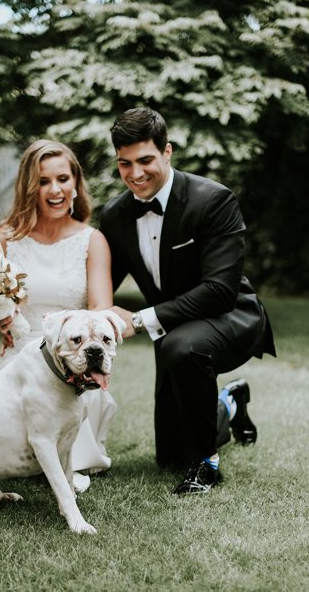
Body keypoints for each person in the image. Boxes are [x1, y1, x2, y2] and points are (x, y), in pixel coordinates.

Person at [99, 107, 276, 494]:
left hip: (232, 317)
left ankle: (208, 464)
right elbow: (103, 287)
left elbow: (219, 290)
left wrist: (140, 319)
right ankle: (230, 402)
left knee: (181, 348)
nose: (135, 173)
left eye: (145, 160)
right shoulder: (114, 215)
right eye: (124, 164)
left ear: (167, 152)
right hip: (177, 329)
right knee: (171, 455)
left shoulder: (213, 200)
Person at [0, 139, 116, 492]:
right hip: (20, 361)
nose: (55, 189)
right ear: (29, 188)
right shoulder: (4, 240)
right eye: (44, 181)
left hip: (74, 355)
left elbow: (100, 311)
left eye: (63, 178)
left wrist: (77, 353)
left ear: (76, 182)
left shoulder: (92, 241)